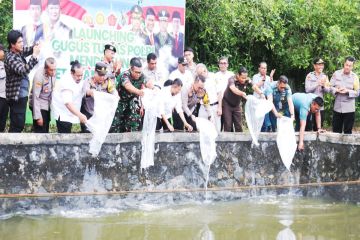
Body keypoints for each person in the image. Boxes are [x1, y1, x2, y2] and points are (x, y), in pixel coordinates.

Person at [5, 30, 40, 133]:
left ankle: (13, 145)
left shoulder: (18, 52)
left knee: (19, 122)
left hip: (22, 94)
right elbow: (23, 70)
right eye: (19, 42)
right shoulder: (11, 58)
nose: (22, 44)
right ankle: (12, 146)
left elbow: (27, 49)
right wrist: (34, 56)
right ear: (12, 44)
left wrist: (35, 46)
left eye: (22, 41)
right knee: (17, 123)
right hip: (17, 96)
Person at [51, 60, 92, 133]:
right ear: (72, 73)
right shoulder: (66, 82)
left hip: (73, 107)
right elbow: (68, 103)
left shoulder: (78, 72)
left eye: (81, 75)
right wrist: (80, 115)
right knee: (64, 135)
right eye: (78, 76)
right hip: (63, 112)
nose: (80, 78)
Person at [80, 62, 118, 133]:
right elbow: (88, 92)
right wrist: (96, 93)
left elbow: (116, 95)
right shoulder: (88, 81)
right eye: (100, 75)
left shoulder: (108, 82)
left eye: (104, 75)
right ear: (95, 72)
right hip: (89, 115)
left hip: (102, 116)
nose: (102, 77)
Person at [110, 57, 145, 133]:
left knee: (134, 122)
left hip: (131, 102)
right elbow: (128, 86)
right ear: (131, 69)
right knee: (115, 125)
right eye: (136, 72)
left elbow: (146, 84)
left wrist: (142, 105)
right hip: (119, 102)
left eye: (140, 72)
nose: (138, 74)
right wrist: (139, 92)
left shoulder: (141, 76)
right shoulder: (125, 75)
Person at [222, 67, 259, 132]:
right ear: (238, 75)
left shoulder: (247, 79)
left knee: (238, 125)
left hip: (237, 104)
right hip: (227, 104)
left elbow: (254, 86)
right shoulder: (231, 79)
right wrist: (242, 93)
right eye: (242, 78)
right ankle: (228, 141)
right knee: (228, 124)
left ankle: (239, 141)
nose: (244, 80)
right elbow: (233, 89)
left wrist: (261, 93)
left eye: (245, 78)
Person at [330, 56, 359, 134]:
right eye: (346, 65)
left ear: (353, 66)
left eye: (350, 66)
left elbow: (357, 92)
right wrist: (336, 90)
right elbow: (330, 87)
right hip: (337, 108)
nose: (347, 67)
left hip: (349, 109)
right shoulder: (336, 74)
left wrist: (347, 91)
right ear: (344, 64)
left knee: (348, 133)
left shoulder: (355, 77)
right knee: (335, 132)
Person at [29, 57, 56, 133]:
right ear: (45, 68)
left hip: (46, 104)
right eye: (51, 70)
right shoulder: (39, 76)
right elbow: (35, 97)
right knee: (40, 130)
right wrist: (38, 117)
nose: (53, 72)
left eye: (55, 69)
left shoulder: (53, 72)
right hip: (38, 104)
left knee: (46, 129)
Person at [305, 58, 330, 131]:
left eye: (322, 65)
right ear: (314, 66)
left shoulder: (325, 76)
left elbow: (328, 90)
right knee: (308, 127)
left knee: (318, 128)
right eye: (319, 65)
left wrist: (323, 86)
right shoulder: (309, 75)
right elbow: (307, 90)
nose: (321, 66)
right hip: (310, 106)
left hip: (319, 107)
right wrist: (317, 84)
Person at [196, 63, 222, 132]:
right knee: (201, 127)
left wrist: (220, 107)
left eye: (201, 73)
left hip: (214, 106)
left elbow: (219, 92)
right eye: (199, 73)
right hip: (203, 107)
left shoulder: (214, 76)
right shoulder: (198, 79)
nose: (200, 75)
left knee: (216, 128)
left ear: (205, 70)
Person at [252, 62, 275, 132]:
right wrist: (263, 80)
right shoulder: (255, 76)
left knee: (265, 118)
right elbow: (255, 87)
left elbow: (272, 88)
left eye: (265, 68)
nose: (263, 70)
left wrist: (271, 78)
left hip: (265, 101)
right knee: (258, 120)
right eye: (262, 68)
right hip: (257, 100)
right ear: (259, 68)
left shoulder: (268, 78)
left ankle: (268, 126)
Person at [0, 44, 8, 132]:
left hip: (5, 98)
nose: (4, 53)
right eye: (3, 51)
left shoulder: (4, 64)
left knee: (2, 122)